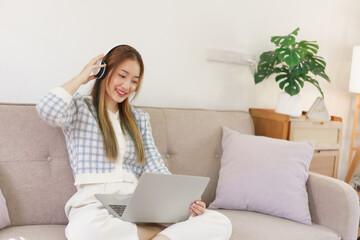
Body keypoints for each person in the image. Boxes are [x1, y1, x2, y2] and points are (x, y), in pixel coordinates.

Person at [36, 45, 232, 240]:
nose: (127, 86)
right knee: (82, 231)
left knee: (219, 222)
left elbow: (155, 166)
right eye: (122, 75)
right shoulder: (79, 107)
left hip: (139, 202)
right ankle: (159, 235)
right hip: (95, 202)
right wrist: (82, 76)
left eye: (134, 81)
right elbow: (47, 109)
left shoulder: (139, 119)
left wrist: (182, 201)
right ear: (105, 71)